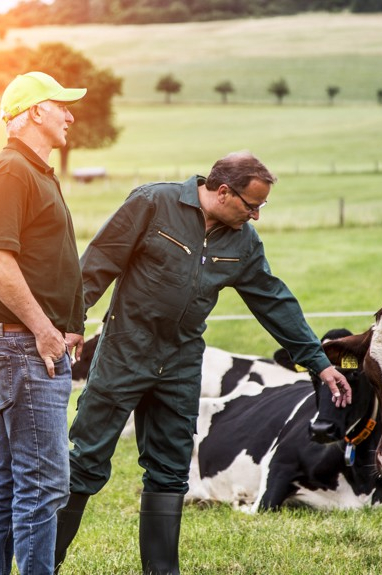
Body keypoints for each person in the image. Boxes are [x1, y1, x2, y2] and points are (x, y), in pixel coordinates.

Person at [54, 151, 353, 574]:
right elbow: (97, 264)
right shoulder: (152, 203)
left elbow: (274, 302)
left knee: (171, 470)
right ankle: (43, 564)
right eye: (252, 206)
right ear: (223, 192)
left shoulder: (243, 243)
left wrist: (319, 363)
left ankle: (162, 571)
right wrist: (70, 322)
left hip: (180, 363)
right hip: (125, 351)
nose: (256, 217)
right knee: (86, 461)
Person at [0, 71, 87, 575]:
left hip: (31, 341)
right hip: (22, 344)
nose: (70, 114)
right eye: (61, 105)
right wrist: (45, 329)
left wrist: (70, 321)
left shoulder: (36, 171)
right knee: (43, 482)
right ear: (36, 111)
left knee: (11, 478)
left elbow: (48, 258)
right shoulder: (11, 171)